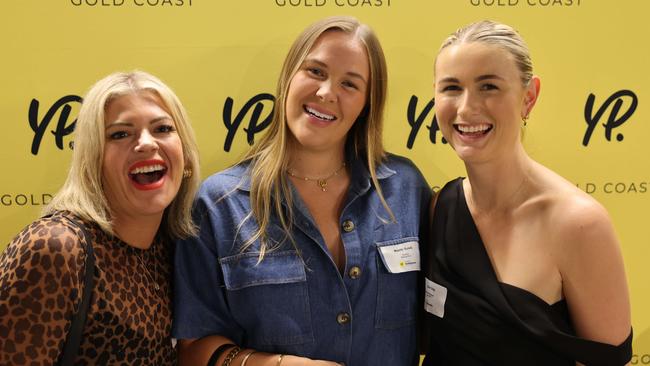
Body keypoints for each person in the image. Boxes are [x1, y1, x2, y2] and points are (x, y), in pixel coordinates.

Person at [173, 15, 431, 366]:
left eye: (350, 84)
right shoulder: (219, 204)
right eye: (316, 72)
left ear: (367, 103)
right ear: (289, 77)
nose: (327, 93)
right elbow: (192, 350)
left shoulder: (405, 188)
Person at [422, 20, 632, 365]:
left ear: (528, 97)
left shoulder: (578, 223)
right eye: (451, 88)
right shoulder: (440, 208)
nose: (466, 107)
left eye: (488, 86)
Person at [0, 70, 200, 365]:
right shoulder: (55, 248)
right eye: (120, 134)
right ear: (93, 159)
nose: (146, 143)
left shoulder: (170, 246)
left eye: (162, 129)